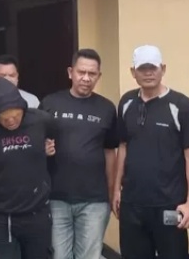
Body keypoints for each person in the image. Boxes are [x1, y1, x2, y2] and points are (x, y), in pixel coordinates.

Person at [112, 45, 189, 259]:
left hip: (169, 205)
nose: (148, 73)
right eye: (142, 68)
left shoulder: (181, 105)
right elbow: (122, 146)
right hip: (133, 204)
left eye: (153, 68)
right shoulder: (126, 102)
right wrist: (116, 190)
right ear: (133, 72)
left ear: (163, 69)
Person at [40, 49, 118, 259]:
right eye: (81, 72)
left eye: (92, 74)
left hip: (94, 200)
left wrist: (111, 192)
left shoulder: (107, 108)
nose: (86, 78)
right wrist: (42, 149)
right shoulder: (50, 103)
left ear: (99, 76)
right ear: (70, 72)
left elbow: (110, 152)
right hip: (56, 198)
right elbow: (35, 144)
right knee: (59, 256)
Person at [0, 77, 56, 259]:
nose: (11, 121)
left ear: (22, 108)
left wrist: (46, 152)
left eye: (15, 115)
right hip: (3, 216)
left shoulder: (41, 120)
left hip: (37, 212)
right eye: (4, 117)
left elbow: (54, 141)